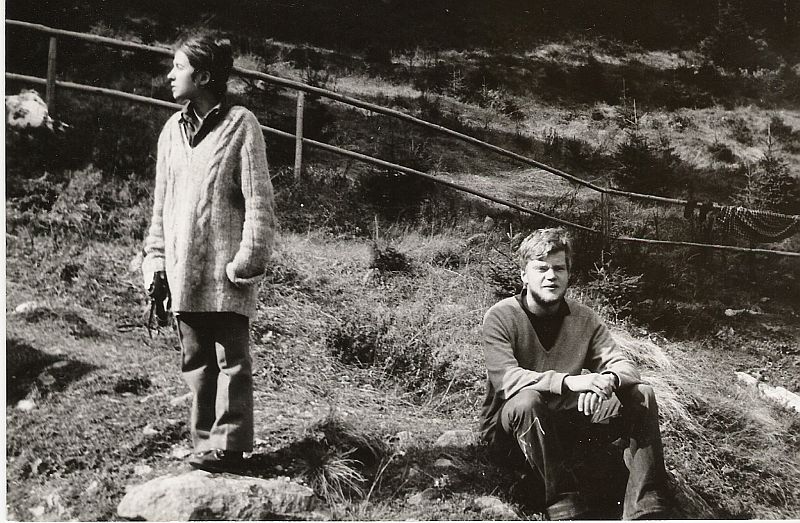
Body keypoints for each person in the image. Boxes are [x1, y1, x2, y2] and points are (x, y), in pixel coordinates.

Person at [142, 33, 276, 473]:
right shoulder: (170, 131)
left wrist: (247, 261)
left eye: (178, 67)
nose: (170, 75)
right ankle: (204, 446)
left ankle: (230, 446)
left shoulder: (241, 125)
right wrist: (156, 261)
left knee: (231, 361)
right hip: (183, 272)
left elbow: (259, 203)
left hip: (226, 272)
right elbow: (161, 207)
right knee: (196, 362)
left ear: (202, 76)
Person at [480, 228, 669, 520]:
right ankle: (565, 505)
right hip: (513, 434)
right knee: (528, 401)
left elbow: (625, 365)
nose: (551, 276)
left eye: (559, 268)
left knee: (641, 394)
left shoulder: (584, 318)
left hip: (567, 427)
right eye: (541, 268)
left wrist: (607, 381)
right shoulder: (501, 317)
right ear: (524, 275)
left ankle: (645, 507)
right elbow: (507, 380)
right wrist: (570, 382)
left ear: (568, 275)